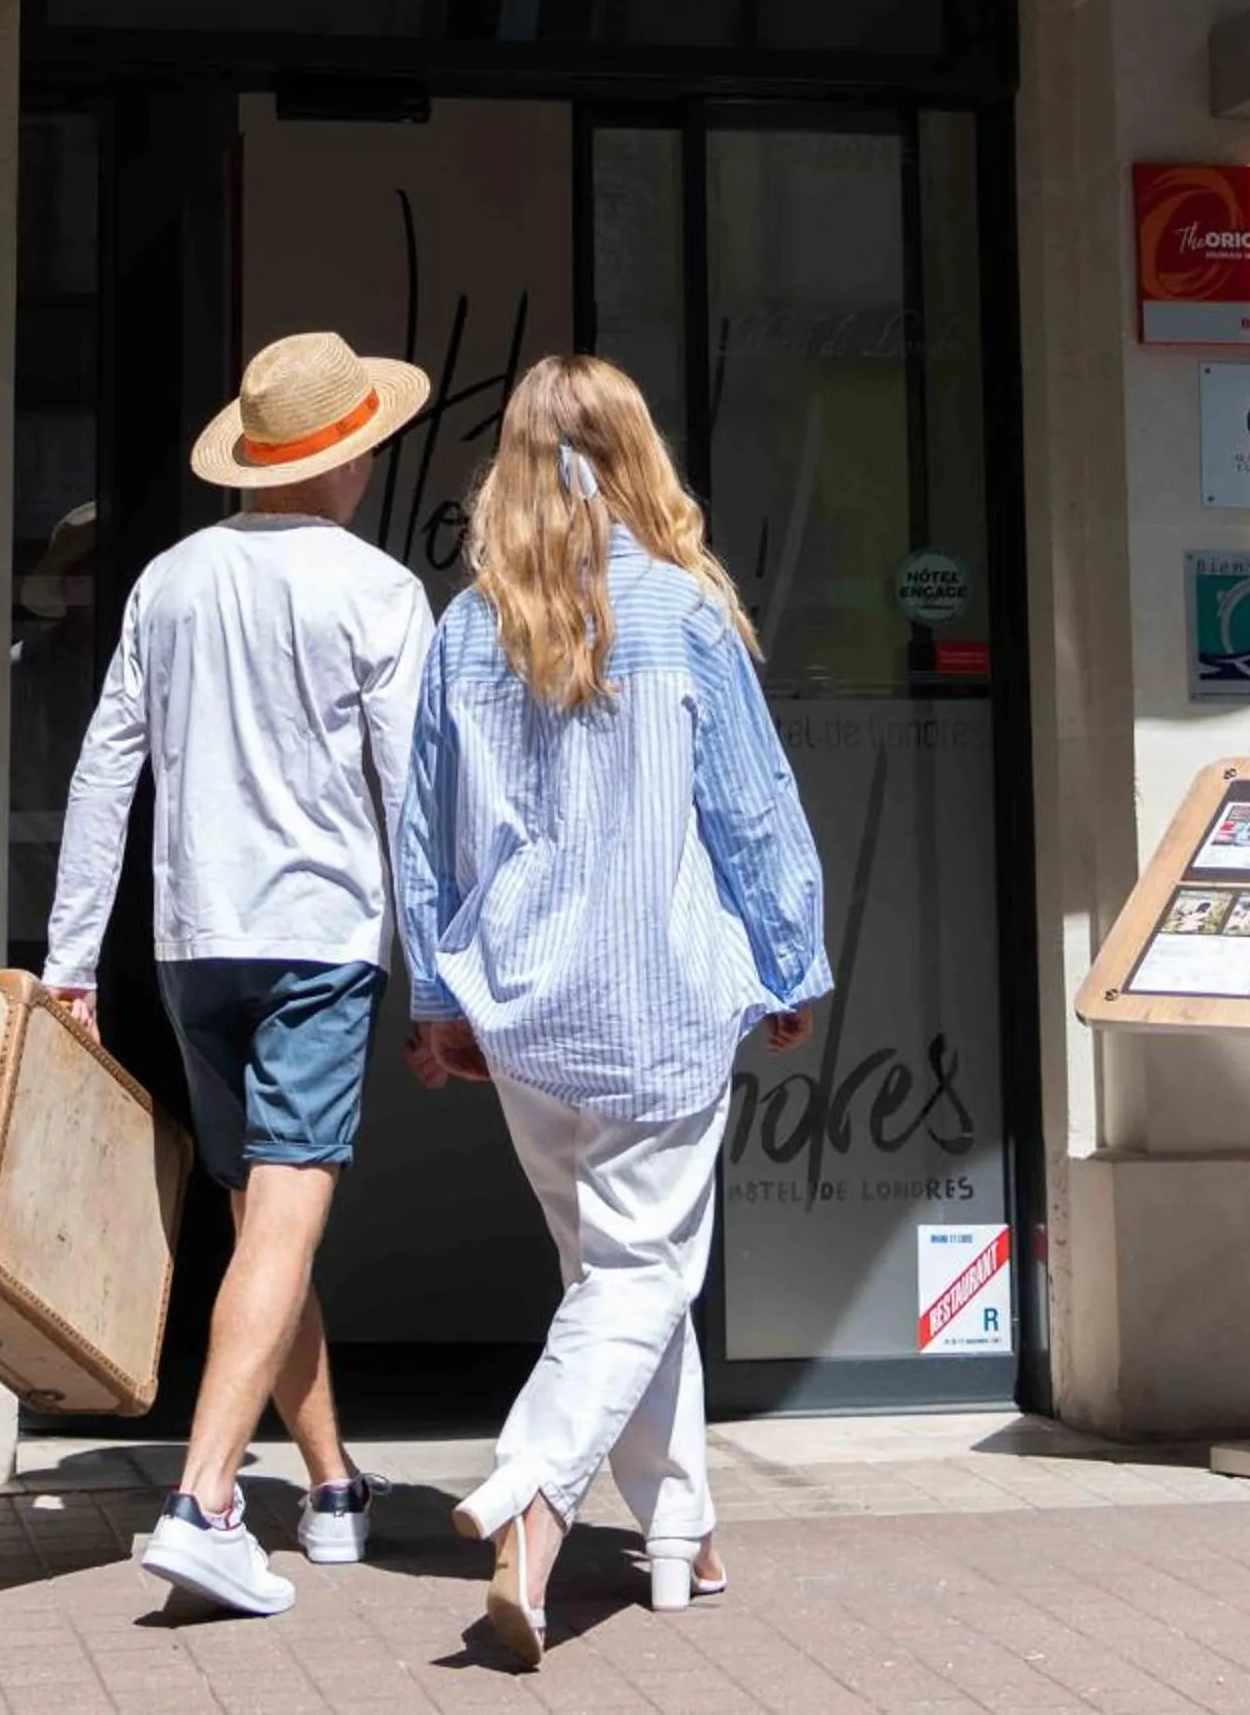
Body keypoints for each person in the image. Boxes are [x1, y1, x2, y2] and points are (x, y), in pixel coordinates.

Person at [398, 354, 830, 1671]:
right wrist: (794, 954)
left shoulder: (465, 627)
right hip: (657, 1003)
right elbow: (750, 804)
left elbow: (419, 838)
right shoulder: (681, 615)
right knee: (637, 1277)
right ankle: (531, 1501)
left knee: (614, 1282)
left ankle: (681, 1538)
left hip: (526, 1009)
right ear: (636, 453)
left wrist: (433, 991)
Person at [46, 329, 435, 1620]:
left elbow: (107, 769)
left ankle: (328, 1491)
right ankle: (207, 1499)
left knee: (259, 1216)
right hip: (317, 938)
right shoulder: (377, 590)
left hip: (188, 941)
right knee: (284, 1214)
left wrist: (71, 958)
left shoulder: (169, 578)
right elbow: (413, 801)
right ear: (352, 452)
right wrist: (436, 977)